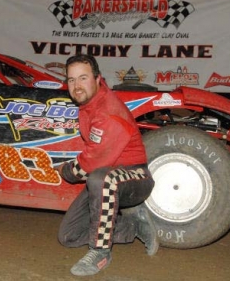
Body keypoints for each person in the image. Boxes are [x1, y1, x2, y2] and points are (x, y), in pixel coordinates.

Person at [55, 54, 159, 276]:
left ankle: (100, 252)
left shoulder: (107, 111)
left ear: (98, 79)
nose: (77, 86)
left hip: (135, 177)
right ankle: (133, 226)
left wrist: (66, 170)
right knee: (68, 236)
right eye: (71, 80)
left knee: (100, 178)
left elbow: (92, 162)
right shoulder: (89, 104)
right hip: (105, 175)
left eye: (83, 78)